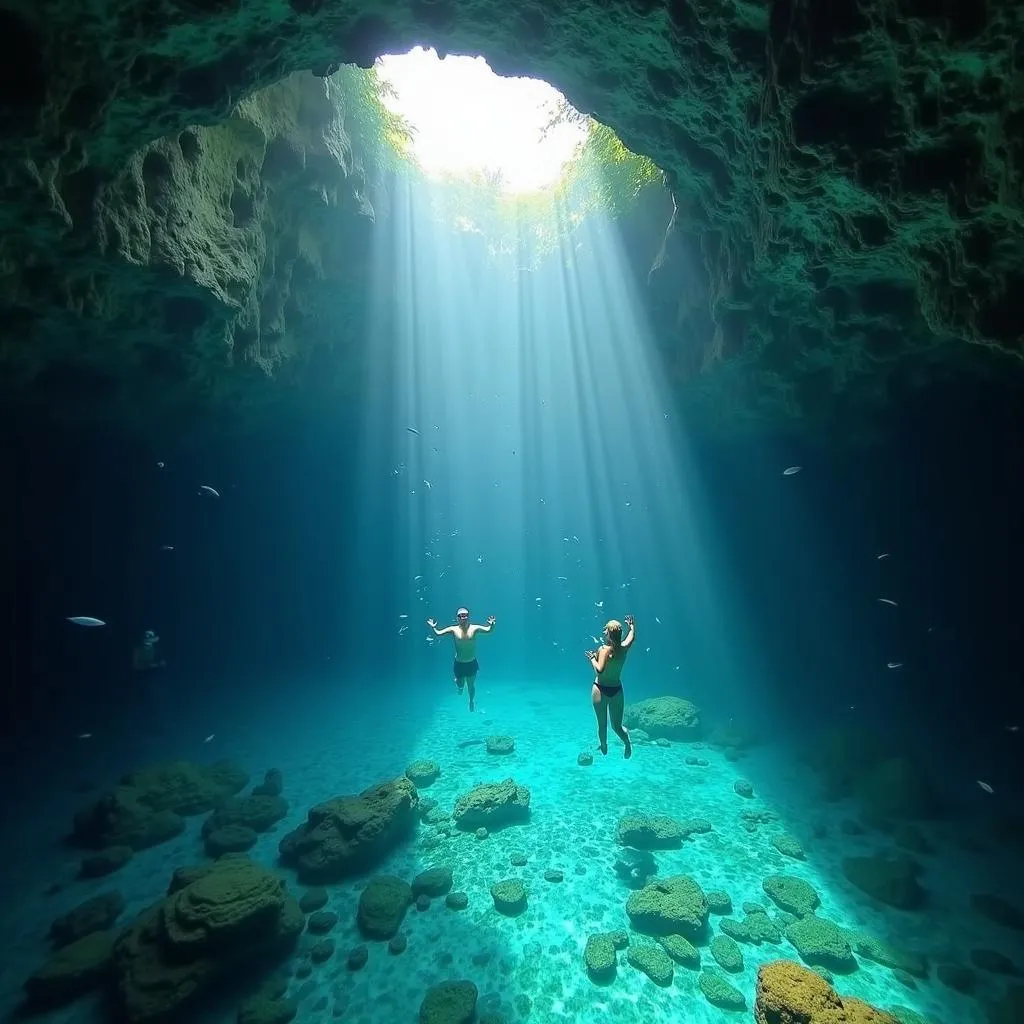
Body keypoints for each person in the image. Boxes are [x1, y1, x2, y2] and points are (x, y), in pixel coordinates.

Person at [426, 608, 496, 711]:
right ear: (457, 618)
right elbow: (438, 633)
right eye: (462, 615)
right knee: (461, 684)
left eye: (466, 615)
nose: (464, 617)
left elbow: (489, 631)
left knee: (471, 685)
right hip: (459, 663)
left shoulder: (475, 628)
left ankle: (471, 701)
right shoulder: (453, 629)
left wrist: (492, 625)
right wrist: (433, 627)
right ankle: (459, 687)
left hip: (471, 662)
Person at [585, 615, 635, 758]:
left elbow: (599, 670)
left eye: (605, 631)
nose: (604, 632)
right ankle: (627, 743)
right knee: (617, 726)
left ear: (609, 634)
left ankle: (604, 745)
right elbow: (631, 637)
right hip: (617, 690)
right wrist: (631, 626)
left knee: (602, 725)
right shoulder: (624, 647)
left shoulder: (604, 650)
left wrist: (592, 659)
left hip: (600, 689)